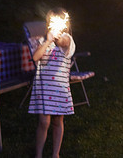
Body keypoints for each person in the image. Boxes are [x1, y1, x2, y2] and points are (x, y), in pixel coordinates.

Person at [28, 8, 76, 158]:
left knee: (57, 121)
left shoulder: (67, 39)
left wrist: (55, 38)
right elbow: (35, 58)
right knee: (43, 122)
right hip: (44, 89)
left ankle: (56, 154)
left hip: (59, 90)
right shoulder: (43, 41)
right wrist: (48, 40)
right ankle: (39, 154)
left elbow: (62, 42)